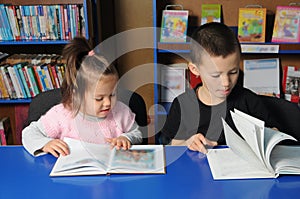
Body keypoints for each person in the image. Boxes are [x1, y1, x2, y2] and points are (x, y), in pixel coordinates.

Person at [159, 22, 280, 153]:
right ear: (195, 69)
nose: (226, 83)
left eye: (233, 72)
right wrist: (187, 142)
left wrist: (270, 136)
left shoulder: (249, 101)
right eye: (216, 75)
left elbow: (275, 133)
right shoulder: (183, 104)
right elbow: (169, 145)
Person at [22, 36, 143, 157]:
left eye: (112, 94)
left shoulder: (120, 111)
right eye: (99, 98)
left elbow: (137, 133)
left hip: (110, 171)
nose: (108, 103)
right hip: (72, 173)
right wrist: (45, 143)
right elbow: (29, 133)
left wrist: (126, 137)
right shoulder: (61, 115)